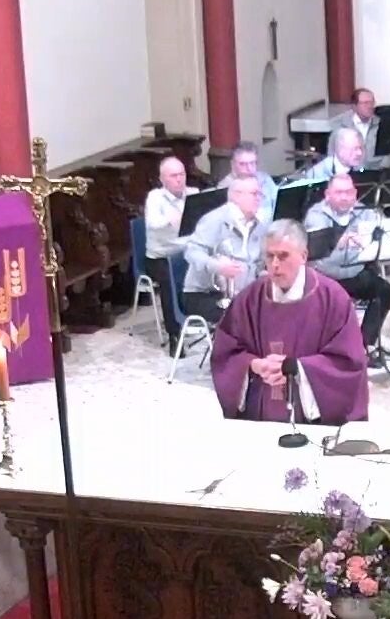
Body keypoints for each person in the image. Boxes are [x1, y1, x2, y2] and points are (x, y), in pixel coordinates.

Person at [212, 220, 369, 426]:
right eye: (270, 256)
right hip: (260, 411)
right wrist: (253, 365)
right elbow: (226, 352)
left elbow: (348, 363)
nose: (275, 265)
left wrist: (297, 368)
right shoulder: (250, 298)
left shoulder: (332, 298)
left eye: (283, 256)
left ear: (303, 256)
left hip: (312, 420)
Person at [303, 175, 390, 353]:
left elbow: (382, 242)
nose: (344, 197)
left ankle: (363, 347)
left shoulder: (365, 212)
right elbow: (322, 260)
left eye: (348, 192)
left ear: (355, 194)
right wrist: (341, 245)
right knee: (334, 302)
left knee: (385, 291)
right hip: (324, 276)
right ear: (327, 194)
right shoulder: (316, 216)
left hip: (354, 272)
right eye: (339, 192)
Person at [180, 176, 267, 339]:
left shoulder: (260, 224)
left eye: (260, 194)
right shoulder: (214, 220)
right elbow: (191, 252)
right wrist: (218, 267)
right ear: (236, 196)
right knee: (246, 319)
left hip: (243, 293)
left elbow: (259, 263)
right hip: (205, 294)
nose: (259, 198)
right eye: (254, 194)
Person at [142, 156, 199, 345]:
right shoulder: (155, 197)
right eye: (173, 176)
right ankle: (174, 333)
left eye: (182, 174)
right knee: (169, 282)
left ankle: (204, 317)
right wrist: (171, 219)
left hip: (187, 253)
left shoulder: (193, 194)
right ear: (162, 179)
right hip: (160, 257)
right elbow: (152, 223)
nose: (179, 179)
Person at [216, 141, 278, 222]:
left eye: (252, 163)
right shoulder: (224, 187)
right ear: (232, 164)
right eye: (243, 164)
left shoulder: (265, 179)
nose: (249, 168)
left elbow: (278, 204)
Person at [334, 87, 380, 151]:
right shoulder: (339, 125)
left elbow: (388, 153)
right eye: (365, 103)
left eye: (372, 102)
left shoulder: (381, 124)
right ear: (354, 106)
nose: (370, 106)